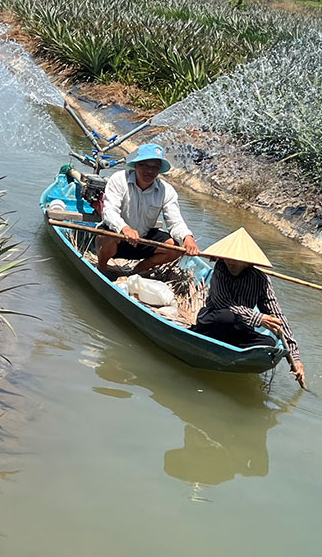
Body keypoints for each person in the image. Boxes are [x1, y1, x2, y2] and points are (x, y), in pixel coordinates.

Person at [191, 228, 306, 388]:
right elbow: (224, 303)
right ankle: (196, 336)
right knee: (227, 317)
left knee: (269, 342)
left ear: (248, 262)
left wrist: (295, 358)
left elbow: (277, 316)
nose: (231, 262)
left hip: (238, 329)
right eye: (228, 258)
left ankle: (234, 353)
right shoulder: (220, 269)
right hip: (213, 321)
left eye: (237, 260)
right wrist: (259, 318)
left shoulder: (261, 280)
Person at [97, 143, 200, 275]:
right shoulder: (119, 179)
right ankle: (102, 268)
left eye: (154, 167)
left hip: (143, 239)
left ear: (159, 170)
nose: (149, 171)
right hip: (118, 237)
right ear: (135, 165)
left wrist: (187, 238)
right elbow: (109, 212)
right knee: (107, 235)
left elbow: (175, 222)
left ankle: (139, 269)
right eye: (144, 165)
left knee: (176, 248)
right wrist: (125, 229)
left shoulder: (166, 191)